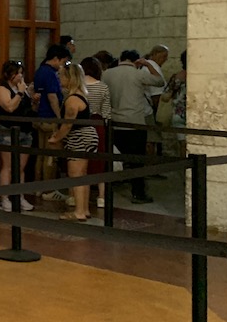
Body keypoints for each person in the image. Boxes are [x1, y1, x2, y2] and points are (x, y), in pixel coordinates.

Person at [102, 49, 163, 203]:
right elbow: (159, 81)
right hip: (135, 123)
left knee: (113, 158)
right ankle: (138, 193)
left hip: (114, 122)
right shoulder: (138, 74)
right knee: (137, 160)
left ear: (121, 59)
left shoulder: (107, 74)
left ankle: (106, 191)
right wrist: (147, 64)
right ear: (136, 61)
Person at [48, 63, 98, 222]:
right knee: (82, 175)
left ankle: (79, 211)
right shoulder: (81, 94)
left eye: (62, 76)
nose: (59, 79)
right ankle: (84, 209)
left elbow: (68, 124)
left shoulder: (72, 99)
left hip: (79, 136)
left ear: (70, 78)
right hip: (87, 136)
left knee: (75, 175)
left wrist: (56, 138)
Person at [0, 60, 35, 212]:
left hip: (25, 131)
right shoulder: (1, 89)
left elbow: (28, 108)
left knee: (21, 168)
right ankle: (4, 198)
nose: (20, 76)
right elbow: (9, 107)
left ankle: (19, 196)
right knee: (8, 166)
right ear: (8, 74)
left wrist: (32, 97)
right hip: (8, 131)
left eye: (21, 73)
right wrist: (20, 93)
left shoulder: (22, 88)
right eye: (16, 73)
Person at [34, 43, 72, 200]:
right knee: (50, 155)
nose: (62, 65)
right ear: (56, 58)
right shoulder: (50, 73)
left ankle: (38, 187)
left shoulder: (40, 71)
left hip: (40, 117)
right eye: (63, 61)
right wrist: (59, 118)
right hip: (50, 118)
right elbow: (52, 97)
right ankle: (48, 190)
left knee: (41, 154)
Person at [81, 56, 111, 209]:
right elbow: (106, 112)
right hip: (98, 123)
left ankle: (76, 196)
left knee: (79, 160)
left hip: (80, 123)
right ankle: (101, 196)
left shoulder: (77, 86)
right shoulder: (103, 87)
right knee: (100, 159)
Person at [161, 48, 187, 157]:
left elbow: (165, 97)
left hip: (178, 114)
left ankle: (184, 164)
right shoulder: (200, 77)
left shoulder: (177, 77)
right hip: (196, 114)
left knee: (183, 144)